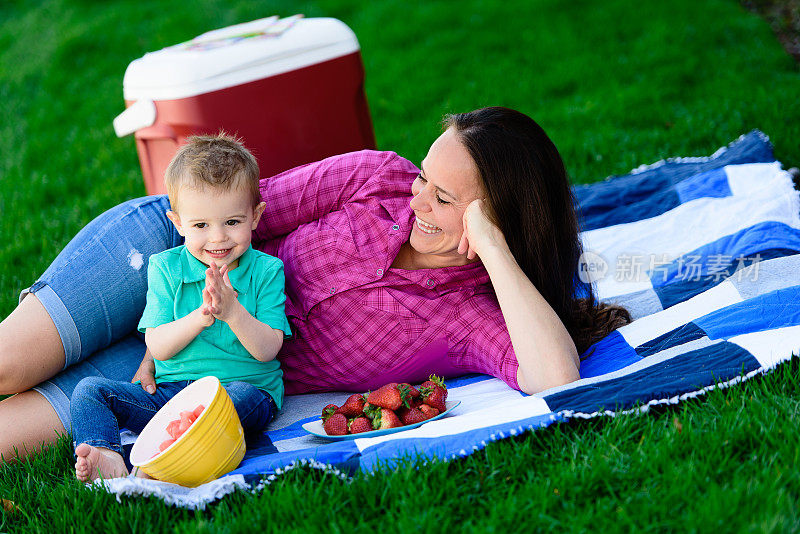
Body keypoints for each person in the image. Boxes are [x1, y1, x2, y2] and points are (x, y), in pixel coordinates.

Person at [0, 107, 630, 463]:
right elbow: (241, 207)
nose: (416, 201)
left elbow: (555, 381)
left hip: (198, 363)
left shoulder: (467, 317)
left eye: (441, 198)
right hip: (161, 252)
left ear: (495, 220)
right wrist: (156, 330)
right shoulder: (377, 176)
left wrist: (491, 248)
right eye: (423, 178)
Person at [71, 134, 292, 480]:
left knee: (235, 401)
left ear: (255, 216)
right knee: (89, 391)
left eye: (232, 222)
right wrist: (202, 316)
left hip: (241, 389)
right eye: (201, 225)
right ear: (178, 223)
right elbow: (157, 345)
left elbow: (268, 350)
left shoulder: (267, 270)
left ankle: (165, 459)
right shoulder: (165, 268)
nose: (218, 238)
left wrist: (232, 311)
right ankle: (105, 453)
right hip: (174, 396)